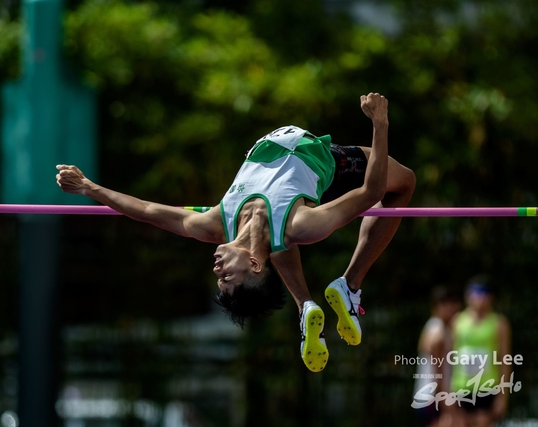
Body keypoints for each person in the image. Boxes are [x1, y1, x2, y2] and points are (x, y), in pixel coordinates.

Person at [56, 93, 416, 372]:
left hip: (275, 188)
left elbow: (148, 211)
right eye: (228, 276)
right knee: (404, 184)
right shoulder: (303, 226)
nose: (216, 270)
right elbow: (371, 192)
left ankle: (307, 303)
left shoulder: (213, 225)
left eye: (219, 278)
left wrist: (91, 188)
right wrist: (380, 123)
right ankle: (349, 284)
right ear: (254, 267)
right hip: (326, 161)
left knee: (273, 239)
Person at [445, 276, 511, 427]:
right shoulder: (457, 321)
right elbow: (448, 358)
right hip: (460, 387)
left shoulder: (499, 323)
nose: (479, 298)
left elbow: (505, 360)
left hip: (486, 387)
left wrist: (502, 396)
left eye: (483, 293)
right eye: (475, 292)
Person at [413, 286, 462, 427]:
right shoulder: (438, 332)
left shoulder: (432, 327)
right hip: (433, 396)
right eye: (447, 304)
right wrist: (446, 402)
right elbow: (438, 372)